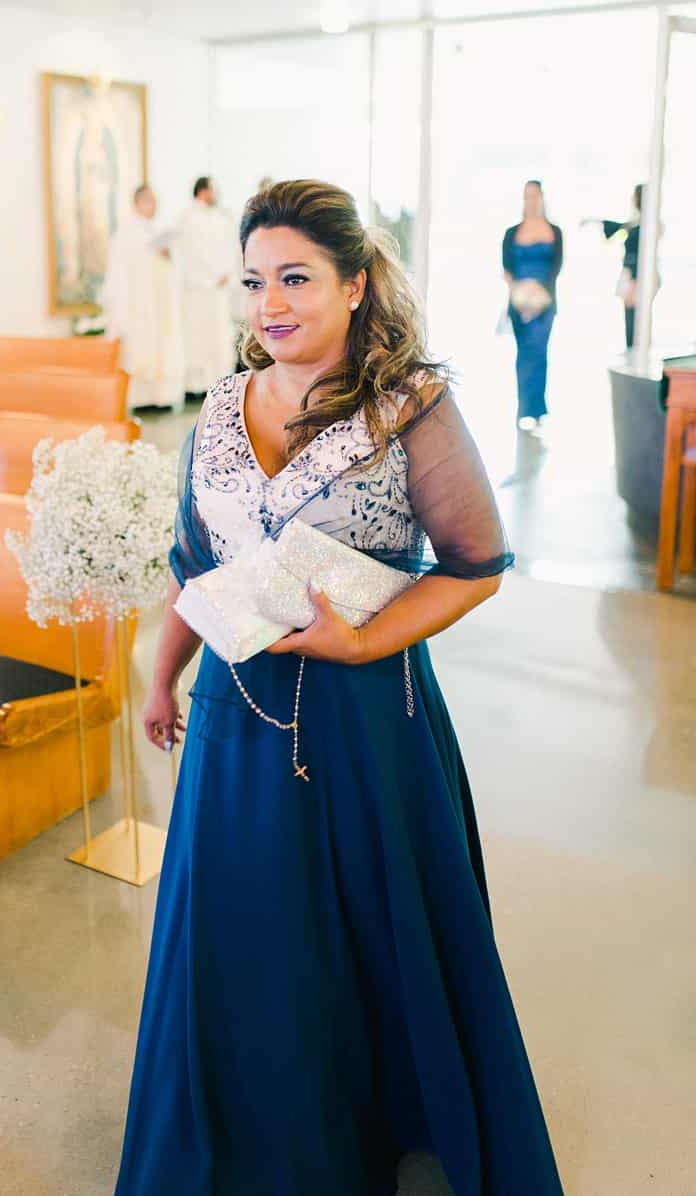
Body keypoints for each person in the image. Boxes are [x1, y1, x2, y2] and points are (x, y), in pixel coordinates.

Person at [117, 180, 562, 1195]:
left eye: (296, 278)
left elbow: (473, 561)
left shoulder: (411, 404)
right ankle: (251, 1124)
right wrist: (161, 670)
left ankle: (375, 1108)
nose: (270, 303)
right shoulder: (224, 406)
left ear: (355, 284)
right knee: (247, 934)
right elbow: (198, 560)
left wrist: (364, 645)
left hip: (366, 720)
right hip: (237, 715)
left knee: (366, 928)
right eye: (253, 281)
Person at [102, 184, 185, 414]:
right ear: (137, 203)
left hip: (159, 302)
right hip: (138, 303)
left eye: (155, 200)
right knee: (141, 347)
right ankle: (140, 399)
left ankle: (162, 397)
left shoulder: (158, 228)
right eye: (149, 200)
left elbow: (172, 265)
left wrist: (169, 256)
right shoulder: (126, 233)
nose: (153, 205)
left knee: (163, 344)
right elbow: (119, 271)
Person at [502, 180, 563, 432]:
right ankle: (523, 408)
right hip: (518, 302)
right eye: (527, 196)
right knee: (522, 354)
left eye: (535, 195)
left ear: (542, 197)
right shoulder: (511, 232)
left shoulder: (555, 231)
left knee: (539, 353)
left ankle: (537, 409)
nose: (532, 200)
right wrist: (521, 295)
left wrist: (538, 296)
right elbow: (506, 267)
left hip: (545, 302)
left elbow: (556, 267)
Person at [173, 176, 240, 398]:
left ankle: (218, 381)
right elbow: (192, 253)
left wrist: (226, 273)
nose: (216, 194)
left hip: (218, 289)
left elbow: (229, 248)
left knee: (218, 335)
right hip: (198, 289)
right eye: (212, 190)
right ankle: (196, 386)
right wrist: (211, 275)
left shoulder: (221, 218)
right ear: (201, 192)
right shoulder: (187, 218)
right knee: (198, 336)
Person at [586, 183, 647, 350]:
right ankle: (633, 350)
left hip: (637, 276)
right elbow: (618, 227)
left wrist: (635, 279)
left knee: (635, 319)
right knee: (632, 317)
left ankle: (635, 351)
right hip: (632, 275)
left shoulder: (646, 226)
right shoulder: (636, 225)